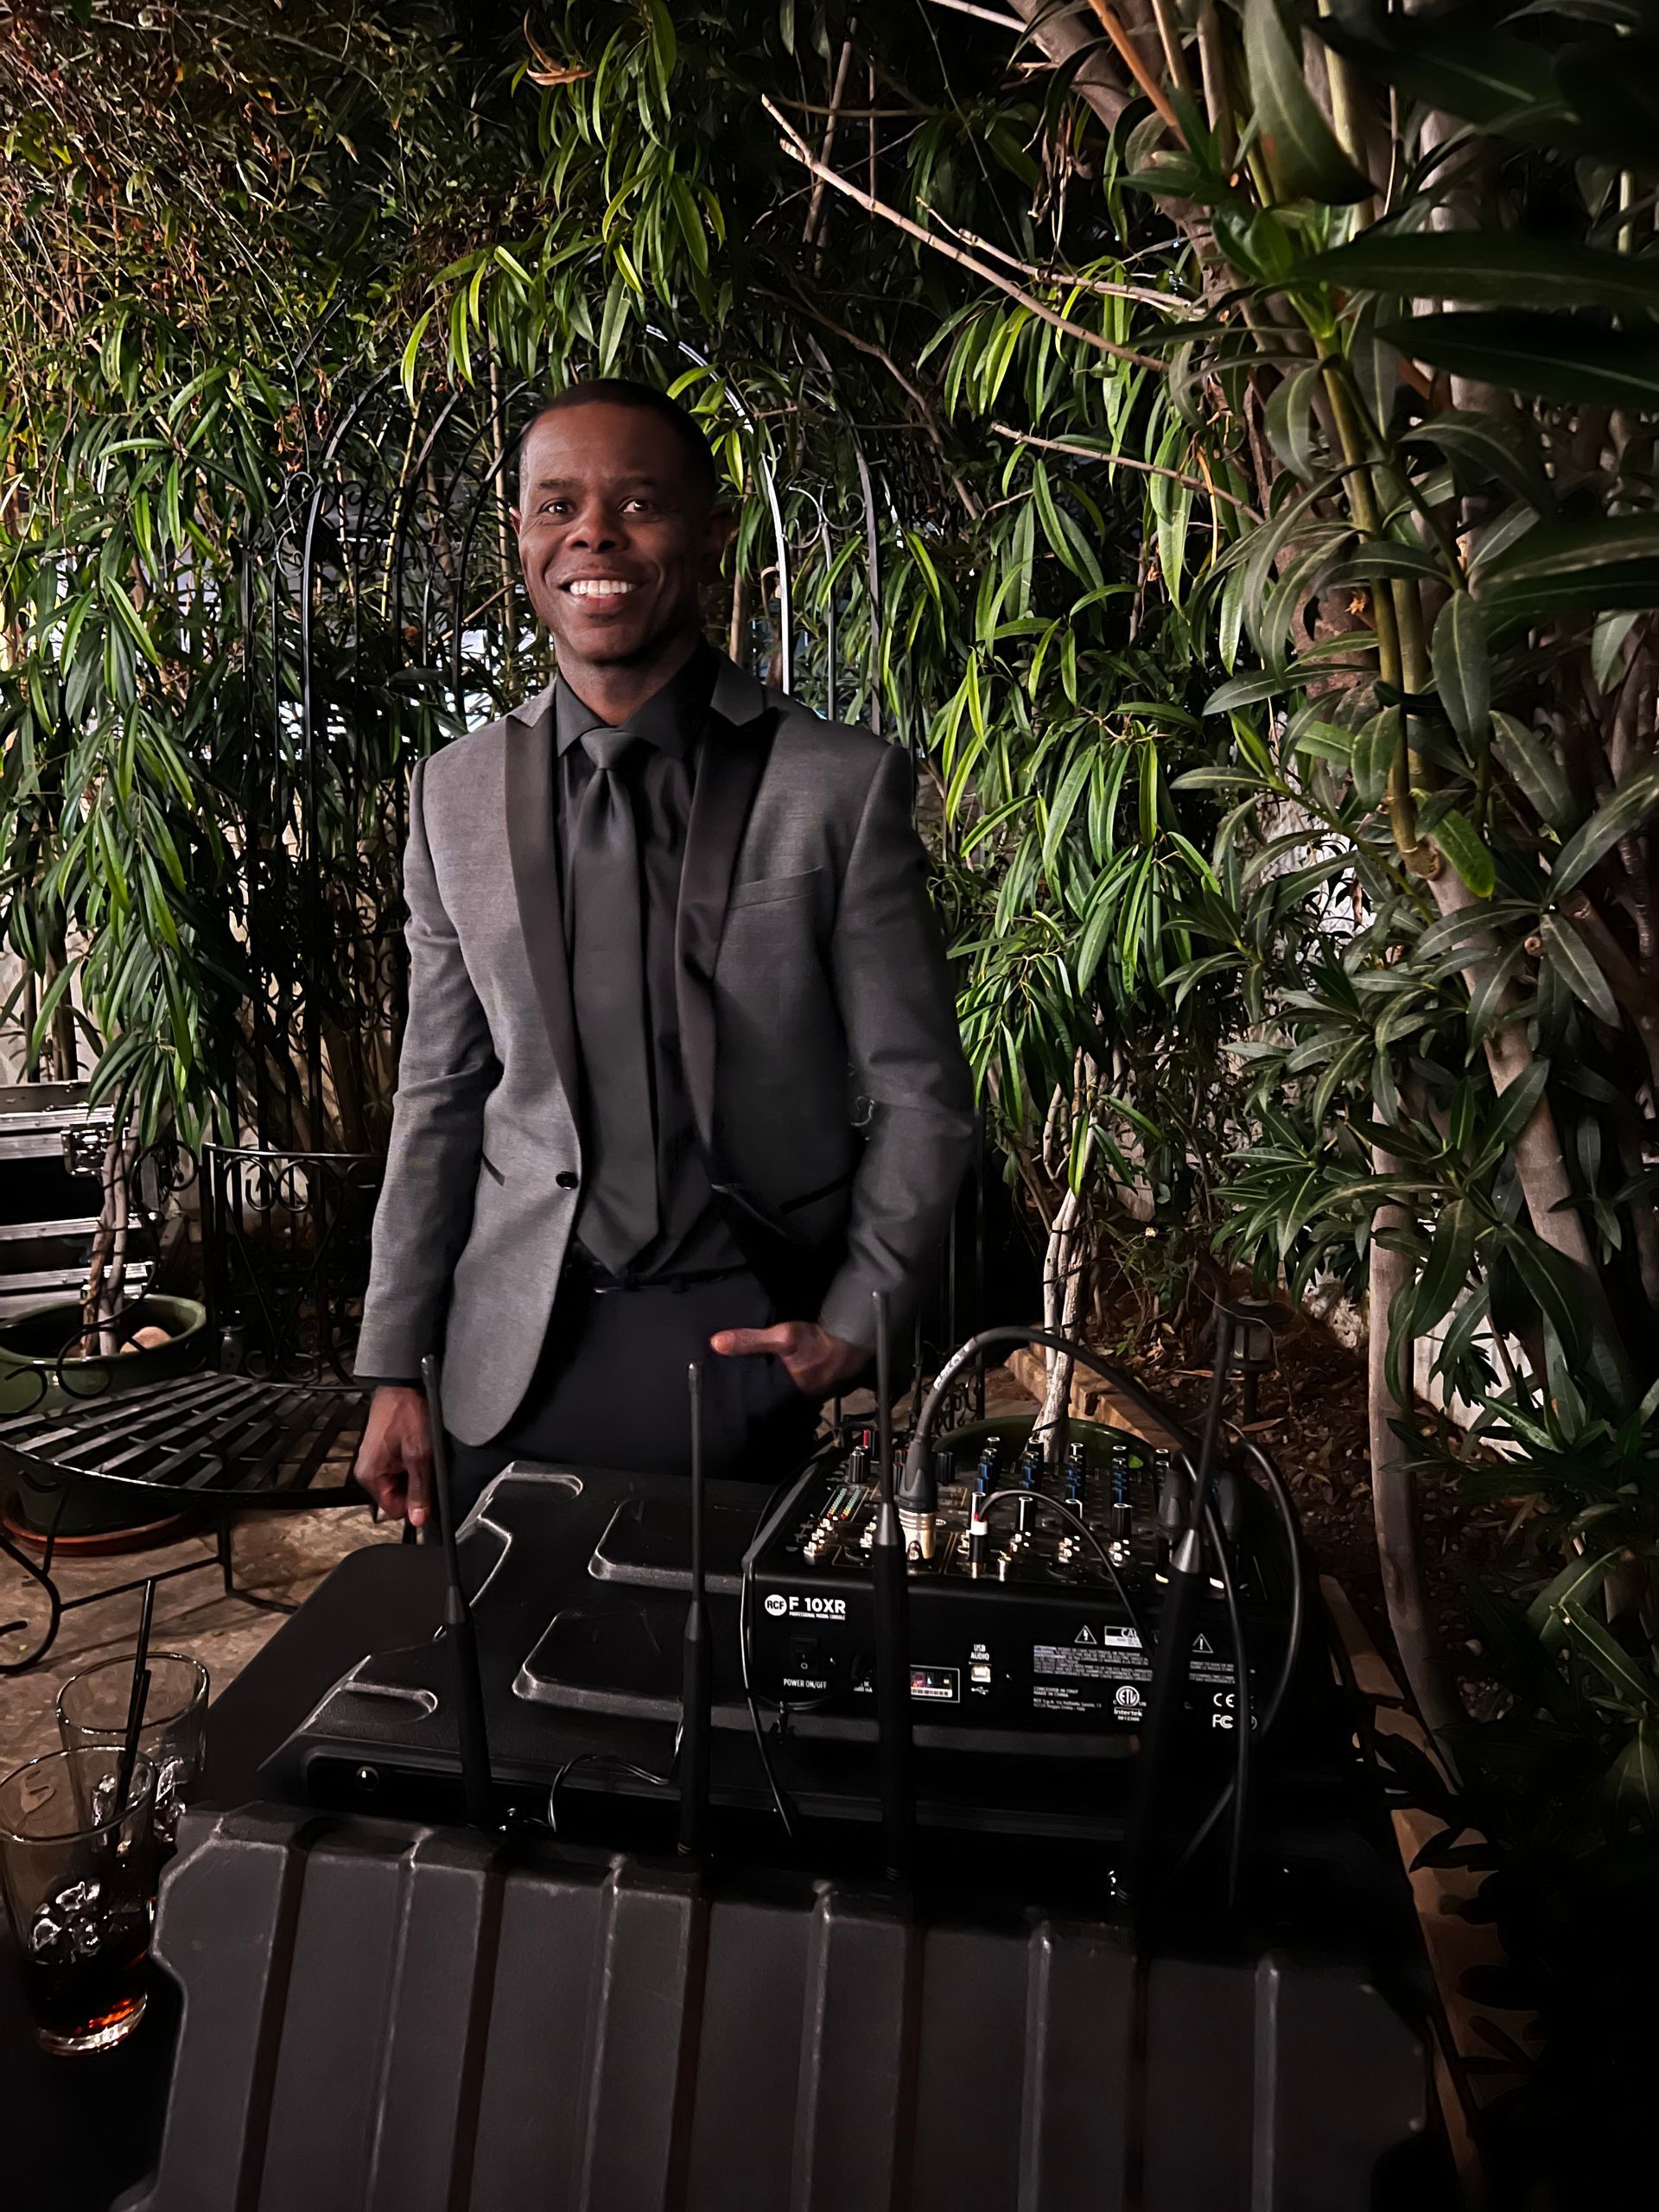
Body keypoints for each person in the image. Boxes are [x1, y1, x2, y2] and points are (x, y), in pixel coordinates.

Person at [351, 378, 976, 1527]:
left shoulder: (835, 786)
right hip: (509, 1355)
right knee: (506, 1637)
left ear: (710, 532)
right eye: (558, 507)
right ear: (524, 538)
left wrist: (860, 1318)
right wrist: (395, 1365)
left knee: (735, 1641)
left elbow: (921, 1093)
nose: (593, 534)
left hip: (743, 1346)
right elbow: (438, 1094)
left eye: (638, 503)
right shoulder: (452, 795)